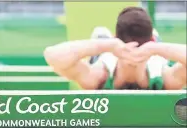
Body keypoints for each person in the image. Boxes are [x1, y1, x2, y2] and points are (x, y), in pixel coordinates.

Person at [44, 7, 186, 90]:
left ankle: (102, 37)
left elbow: (52, 56)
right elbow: (51, 55)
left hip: (139, 50)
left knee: (100, 38)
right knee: (99, 38)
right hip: (108, 55)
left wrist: (157, 49)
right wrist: (108, 45)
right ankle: (101, 38)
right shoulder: (99, 76)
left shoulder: (162, 76)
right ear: (151, 41)